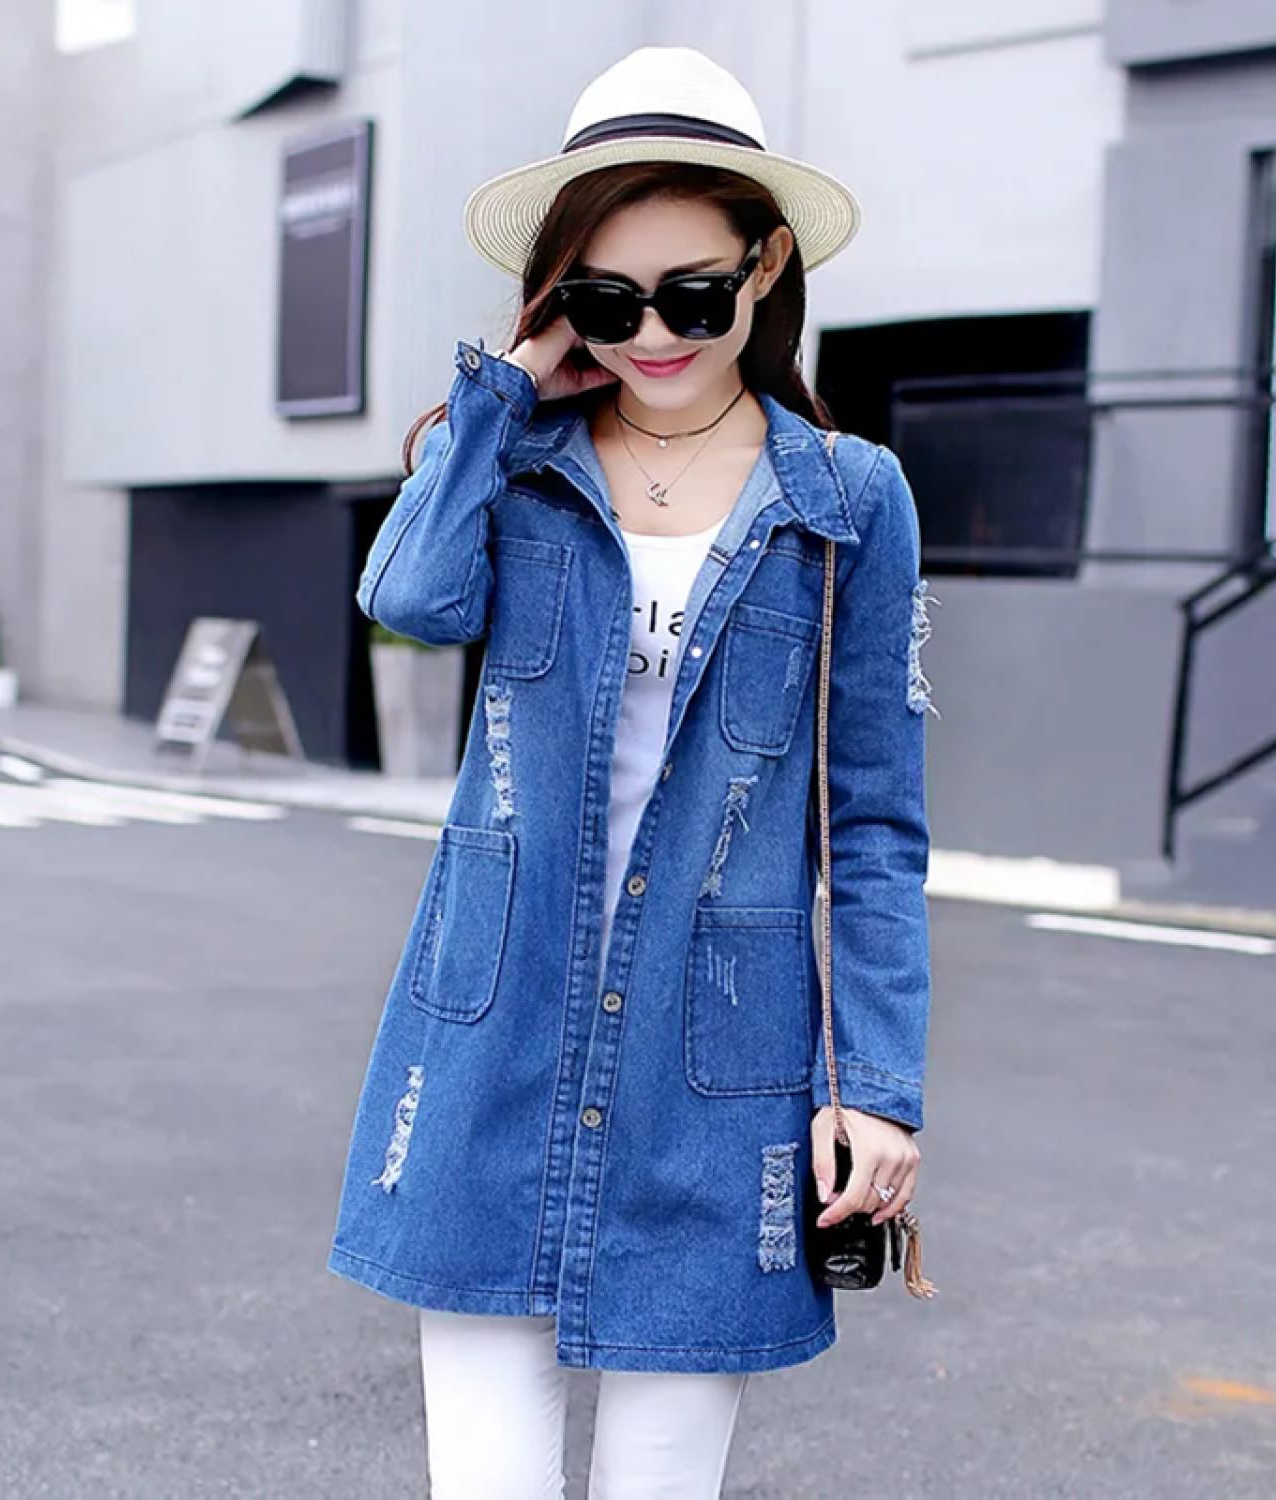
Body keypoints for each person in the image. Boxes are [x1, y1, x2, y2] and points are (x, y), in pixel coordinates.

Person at [327, 44, 936, 1499]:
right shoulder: (522, 466)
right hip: (492, 1037)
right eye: (607, 300)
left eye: (694, 294)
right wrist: (499, 397)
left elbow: (874, 820)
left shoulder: (847, 499)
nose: (653, 333)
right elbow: (407, 599)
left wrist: (879, 1086)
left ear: (766, 264)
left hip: (717, 1064)